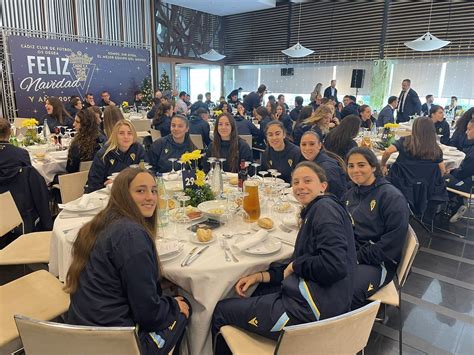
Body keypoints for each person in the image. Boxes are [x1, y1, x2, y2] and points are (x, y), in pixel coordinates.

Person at [212, 161, 356, 350]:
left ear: (323, 185)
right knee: (255, 289)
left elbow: (333, 265)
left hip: (310, 314)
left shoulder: (324, 210)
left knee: (220, 310)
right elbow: (298, 262)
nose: (300, 186)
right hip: (325, 299)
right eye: (295, 182)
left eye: (307, 181)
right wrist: (260, 276)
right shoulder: (320, 208)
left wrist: (296, 266)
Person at [66, 168, 190, 355]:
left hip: (81, 330)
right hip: (116, 343)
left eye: (154, 191)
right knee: (185, 307)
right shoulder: (132, 237)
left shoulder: (101, 223)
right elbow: (149, 315)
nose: (150, 197)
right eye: (140, 191)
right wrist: (173, 307)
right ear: (123, 195)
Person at [343, 148, 409, 309]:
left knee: (345, 292)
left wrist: (355, 257)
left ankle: (349, 330)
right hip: (349, 252)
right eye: (351, 166)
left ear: (373, 167)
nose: (355, 170)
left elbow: (390, 247)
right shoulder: (350, 193)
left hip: (378, 262)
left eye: (361, 165)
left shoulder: (391, 197)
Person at [85, 120, 146, 193]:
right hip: (106, 194)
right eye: (121, 133)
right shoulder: (103, 154)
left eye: (129, 133)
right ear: (115, 135)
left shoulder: (138, 149)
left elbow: (146, 173)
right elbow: (94, 184)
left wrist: (119, 182)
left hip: (131, 192)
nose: (126, 137)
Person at [381, 117, 445, 176]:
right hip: (425, 185)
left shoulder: (406, 140)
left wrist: (383, 165)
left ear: (415, 128)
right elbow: (442, 170)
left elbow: (388, 151)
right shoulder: (435, 148)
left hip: (401, 182)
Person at [300, 131, 347, 198]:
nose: (307, 148)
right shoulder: (312, 161)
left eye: (312, 144)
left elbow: (334, 196)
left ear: (319, 145)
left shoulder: (327, 168)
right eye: (304, 144)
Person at [445, 118, 474, 223]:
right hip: (469, 181)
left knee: (441, 178)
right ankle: (457, 202)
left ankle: (455, 205)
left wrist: (451, 171)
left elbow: (462, 173)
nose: (466, 132)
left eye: (469, 129)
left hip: (469, 185)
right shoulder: (471, 146)